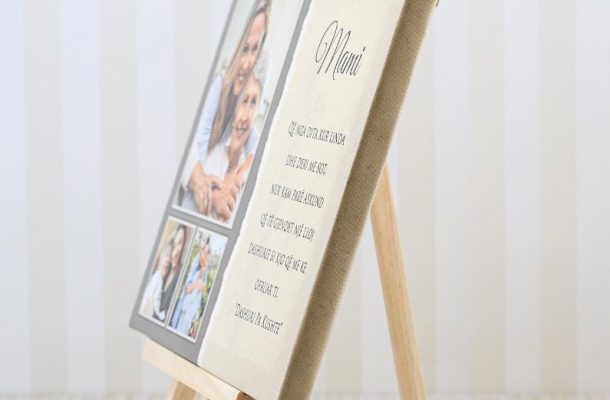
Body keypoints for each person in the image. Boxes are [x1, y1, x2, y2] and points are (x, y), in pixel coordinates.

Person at [180, 0, 271, 217]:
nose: (247, 63)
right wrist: (210, 191)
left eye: (255, 50)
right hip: (193, 178)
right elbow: (197, 141)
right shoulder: (219, 85)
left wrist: (238, 176)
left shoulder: (243, 99)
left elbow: (258, 144)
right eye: (245, 49)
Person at [170, 239, 212, 337]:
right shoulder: (195, 269)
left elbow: (201, 294)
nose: (204, 256)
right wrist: (197, 284)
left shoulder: (205, 274)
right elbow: (188, 289)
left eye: (207, 254)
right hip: (182, 313)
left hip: (189, 318)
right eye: (203, 253)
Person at [140, 243, 172, 322]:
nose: (168, 260)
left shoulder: (159, 278)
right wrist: (160, 315)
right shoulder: (157, 277)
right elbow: (150, 301)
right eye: (167, 255)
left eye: (170, 257)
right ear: (160, 257)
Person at [160, 225, 187, 316]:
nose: (175, 252)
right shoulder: (163, 272)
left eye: (180, 243)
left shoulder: (182, 273)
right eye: (174, 245)